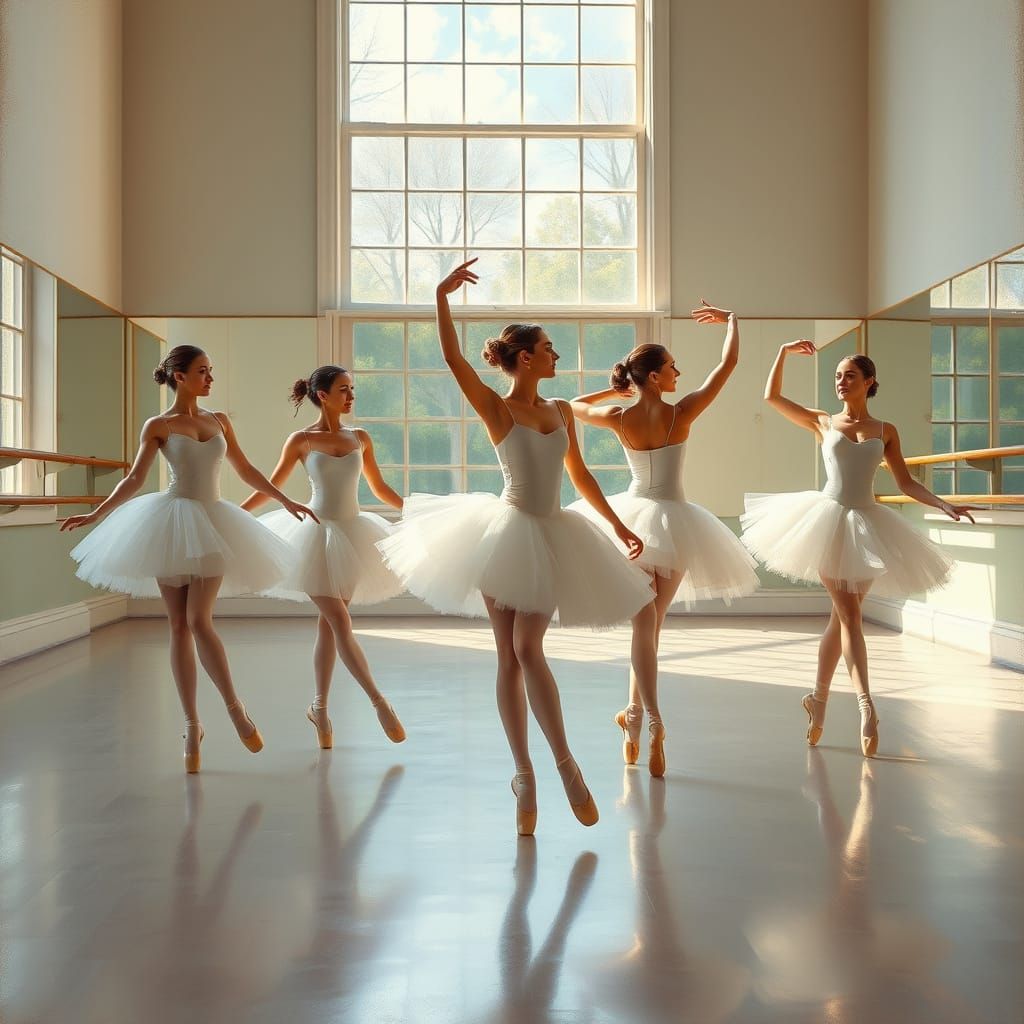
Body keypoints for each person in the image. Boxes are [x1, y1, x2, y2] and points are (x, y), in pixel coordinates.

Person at [378, 260, 654, 834]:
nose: (556, 356)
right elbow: (455, 361)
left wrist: (619, 527)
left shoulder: (560, 412)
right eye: (549, 348)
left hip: (551, 533)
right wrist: (440, 298)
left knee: (528, 646)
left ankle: (565, 762)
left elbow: (579, 476)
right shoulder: (498, 407)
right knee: (508, 656)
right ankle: (525, 774)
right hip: (503, 533)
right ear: (525, 357)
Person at [62, 345, 316, 772]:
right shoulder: (159, 425)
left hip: (213, 523)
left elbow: (246, 469)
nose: (210, 378)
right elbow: (135, 479)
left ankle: (235, 708)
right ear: (180, 377)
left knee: (200, 620)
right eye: (203, 371)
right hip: (172, 521)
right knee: (178, 625)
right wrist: (96, 513)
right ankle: (192, 725)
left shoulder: (218, 420)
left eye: (211, 370)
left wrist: (284, 499)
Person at [741, 344, 977, 756]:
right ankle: (867, 705)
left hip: (868, 525)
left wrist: (943, 504)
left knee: (841, 618)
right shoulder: (821, 422)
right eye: (837, 375)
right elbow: (771, 398)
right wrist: (780, 352)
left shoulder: (886, 430)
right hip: (828, 522)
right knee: (851, 616)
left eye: (849, 375)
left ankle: (818, 701)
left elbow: (904, 483)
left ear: (868, 383)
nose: (840, 381)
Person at [567, 303, 759, 777]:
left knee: (642, 627)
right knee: (651, 627)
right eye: (672, 366)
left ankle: (635, 718)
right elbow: (727, 366)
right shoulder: (682, 413)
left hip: (633, 519)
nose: (679, 372)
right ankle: (650, 718)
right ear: (654, 377)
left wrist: (621, 390)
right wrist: (734, 320)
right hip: (675, 522)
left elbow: (572, 406)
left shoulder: (618, 417)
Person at [240, 365, 406, 749]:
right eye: (344, 390)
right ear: (322, 395)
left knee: (331, 627)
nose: (351, 397)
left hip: (352, 535)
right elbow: (271, 486)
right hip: (314, 534)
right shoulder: (301, 440)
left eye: (353, 390)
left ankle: (320, 709)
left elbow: (379, 488)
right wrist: (234, 515)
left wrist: (411, 511)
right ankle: (379, 702)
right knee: (340, 621)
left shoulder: (360, 438)